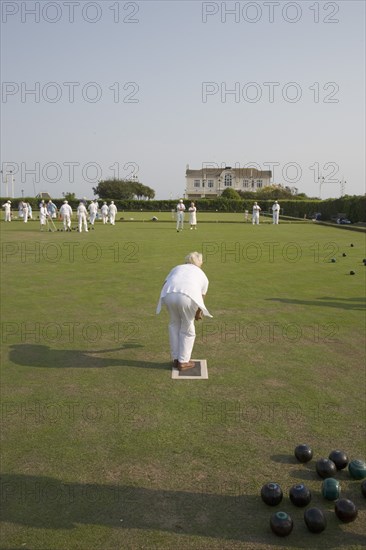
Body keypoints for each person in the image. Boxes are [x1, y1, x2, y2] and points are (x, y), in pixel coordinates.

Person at [156, 251, 212, 371]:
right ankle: (183, 361)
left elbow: (164, 284)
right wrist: (198, 313)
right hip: (188, 297)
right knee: (188, 329)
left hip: (168, 294)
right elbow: (201, 297)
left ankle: (176, 359)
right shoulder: (202, 274)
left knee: (174, 324)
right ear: (200, 263)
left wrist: (166, 299)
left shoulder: (177, 268)